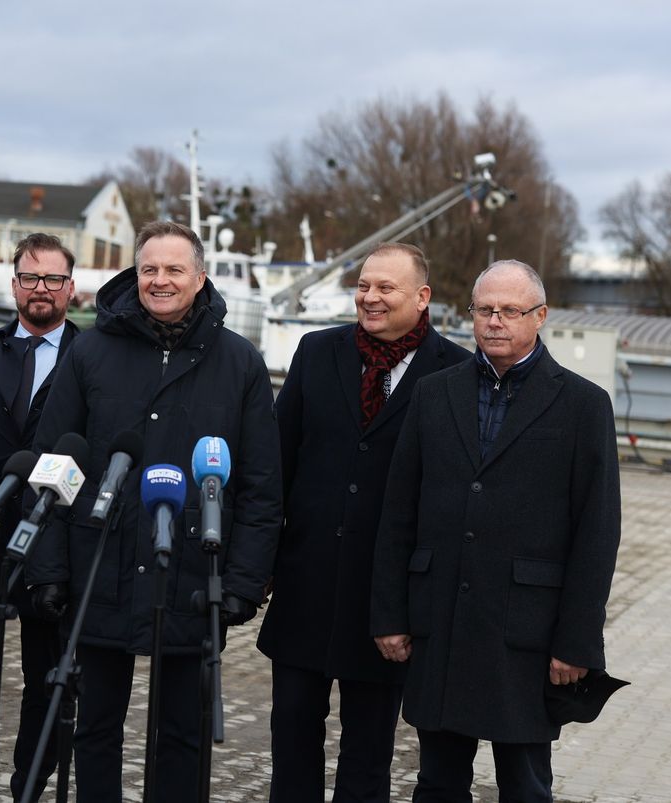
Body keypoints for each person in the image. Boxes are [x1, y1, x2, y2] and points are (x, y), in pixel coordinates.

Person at [24, 220, 282, 803]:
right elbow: (52, 463)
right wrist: (49, 569)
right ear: (134, 274)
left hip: (193, 576)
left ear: (200, 276)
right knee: (93, 728)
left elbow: (262, 487)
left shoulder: (239, 362)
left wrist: (240, 583)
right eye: (149, 270)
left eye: (173, 270)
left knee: (182, 736)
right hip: (99, 570)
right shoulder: (91, 351)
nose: (160, 281)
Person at [370, 259, 622, 802]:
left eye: (511, 310)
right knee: (437, 782)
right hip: (442, 621)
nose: (495, 321)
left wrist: (577, 642)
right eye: (485, 310)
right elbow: (398, 513)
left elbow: (596, 534)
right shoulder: (434, 393)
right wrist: (390, 614)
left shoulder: (583, 405)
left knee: (526, 785)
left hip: (526, 635)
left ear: (541, 316)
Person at [257, 242, 470, 802]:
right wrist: (260, 563)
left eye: (386, 288)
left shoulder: (454, 374)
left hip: (386, 604)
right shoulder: (316, 351)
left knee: (369, 759)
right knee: (292, 746)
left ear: (422, 298)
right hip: (306, 586)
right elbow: (279, 460)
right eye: (364, 286)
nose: (369, 298)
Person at [0, 233, 80, 803]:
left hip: (58, 542)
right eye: (30, 278)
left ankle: (30, 782)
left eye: (52, 279)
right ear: (15, 285)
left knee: (49, 678)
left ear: (71, 288)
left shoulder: (92, 359)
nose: (41, 289)